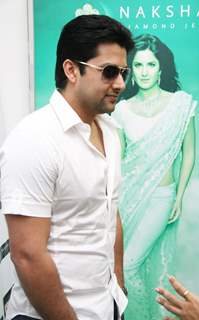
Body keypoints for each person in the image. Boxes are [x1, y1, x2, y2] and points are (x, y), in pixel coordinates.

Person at [0, 14, 134, 320]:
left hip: (108, 305)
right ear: (71, 70)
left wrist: (118, 285)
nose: (121, 83)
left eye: (123, 72)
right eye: (109, 72)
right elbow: (27, 255)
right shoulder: (34, 138)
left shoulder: (111, 133)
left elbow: (109, 212)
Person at [112, 34, 196, 319]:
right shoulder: (122, 110)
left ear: (161, 68)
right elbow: (119, 161)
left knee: (131, 263)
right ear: (131, 70)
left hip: (162, 197)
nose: (145, 71)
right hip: (128, 198)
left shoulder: (181, 105)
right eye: (138, 65)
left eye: (151, 64)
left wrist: (180, 196)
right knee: (127, 267)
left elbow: (189, 153)